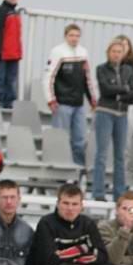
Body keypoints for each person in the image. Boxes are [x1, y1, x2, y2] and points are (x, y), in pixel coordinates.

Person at [43, 24, 97, 167]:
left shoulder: (83, 53)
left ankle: (78, 170)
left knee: (79, 140)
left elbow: (87, 78)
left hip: (78, 104)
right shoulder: (57, 52)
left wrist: (92, 100)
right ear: (65, 36)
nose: (74, 38)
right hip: (62, 103)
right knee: (60, 139)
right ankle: (57, 170)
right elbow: (49, 77)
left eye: (77, 36)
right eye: (71, 35)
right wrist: (51, 100)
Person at [92, 39, 133, 201]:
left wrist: (119, 95)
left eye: (119, 52)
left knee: (120, 156)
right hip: (105, 112)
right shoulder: (101, 69)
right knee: (102, 154)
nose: (116, 54)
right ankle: (98, 193)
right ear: (108, 53)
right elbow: (105, 90)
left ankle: (119, 194)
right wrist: (124, 90)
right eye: (114, 51)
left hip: (122, 115)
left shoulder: (128, 70)